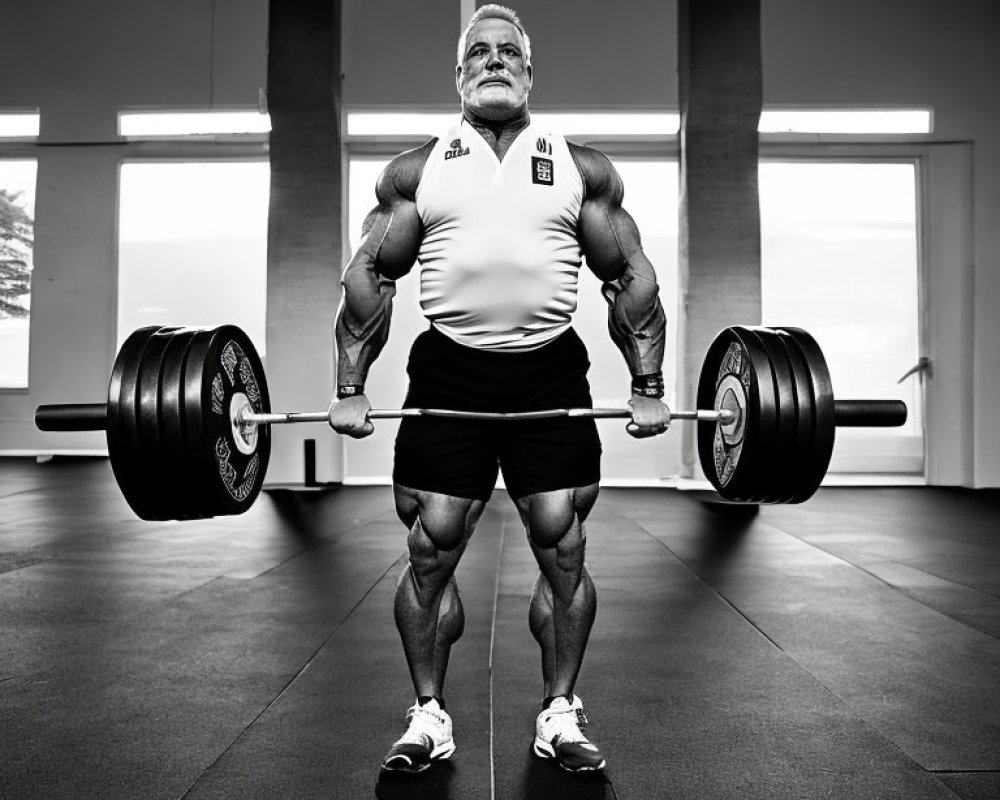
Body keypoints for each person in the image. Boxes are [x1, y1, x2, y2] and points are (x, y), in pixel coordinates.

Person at [328, 4, 670, 775]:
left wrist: (648, 383)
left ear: (528, 70)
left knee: (564, 550)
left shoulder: (582, 167)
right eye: (477, 52)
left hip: (551, 370)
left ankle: (560, 710)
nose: (492, 61)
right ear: (458, 75)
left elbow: (631, 277)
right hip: (450, 371)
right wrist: (349, 384)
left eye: (507, 51)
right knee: (429, 553)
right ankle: (427, 714)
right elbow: (369, 278)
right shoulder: (419, 169)